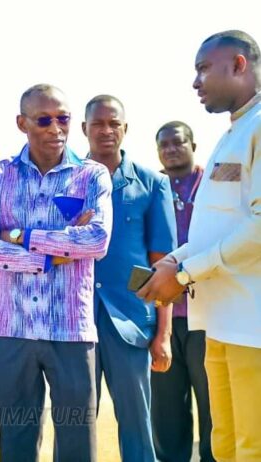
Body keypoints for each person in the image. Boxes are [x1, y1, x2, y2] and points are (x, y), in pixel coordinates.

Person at [0, 83, 113, 462]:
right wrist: (52, 255)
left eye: (62, 118)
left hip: (70, 328)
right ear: (22, 123)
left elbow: (97, 240)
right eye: (44, 120)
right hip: (12, 328)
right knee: (16, 444)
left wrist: (21, 236)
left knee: (77, 445)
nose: (56, 128)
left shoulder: (92, 176)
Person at [138, 30, 261, 461]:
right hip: (220, 322)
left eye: (204, 69)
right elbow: (217, 228)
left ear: (239, 65)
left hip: (252, 325)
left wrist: (186, 273)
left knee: (252, 446)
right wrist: (173, 262)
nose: (196, 82)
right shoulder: (233, 132)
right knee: (224, 444)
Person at [82, 95, 176, 461]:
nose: (106, 130)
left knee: (137, 424)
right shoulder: (67, 180)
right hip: (76, 322)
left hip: (132, 322)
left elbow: (163, 265)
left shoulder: (152, 184)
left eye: (114, 123)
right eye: (98, 124)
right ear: (84, 128)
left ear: (125, 128)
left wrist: (163, 334)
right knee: (75, 425)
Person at [152, 121, 214, 462]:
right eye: (164, 145)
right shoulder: (153, 187)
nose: (171, 149)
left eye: (178, 143)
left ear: (193, 145)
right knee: (166, 408)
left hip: (207, 313)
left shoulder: (212, 185)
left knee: (212, 402)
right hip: (162, 315)